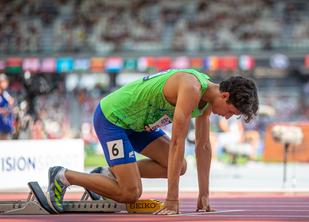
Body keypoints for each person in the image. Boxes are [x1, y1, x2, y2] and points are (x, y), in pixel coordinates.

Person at [47, 68, 259, 215]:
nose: (229, 117)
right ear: (224, 95)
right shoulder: (192, 88)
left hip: (138, 126)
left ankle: (107, 175)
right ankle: (63, 176)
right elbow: (177, 142)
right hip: (113, 118)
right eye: (231, 112)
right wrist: (172, 199)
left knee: (180, 167)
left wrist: (204, 195)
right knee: (130, 193)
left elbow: (203, 146)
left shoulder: (206, 103)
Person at [0, 74, 14, 140]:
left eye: (6, 81)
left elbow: (11, 102)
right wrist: (3, 110)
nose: (5, 83)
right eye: (3, 81)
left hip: (5, 123)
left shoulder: (5, 93)